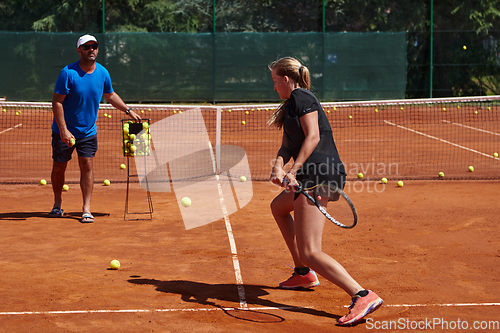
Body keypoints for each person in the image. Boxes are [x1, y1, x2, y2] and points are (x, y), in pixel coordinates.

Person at [268, 57, 383, 326]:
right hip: (311, 173)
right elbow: (288, 145)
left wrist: (293, 171)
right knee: (278, 207)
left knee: (310, 249)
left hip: (319, 173)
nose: (274, 87)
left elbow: (313, 137)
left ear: (286, 79)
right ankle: (303, 273)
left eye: (275, 81)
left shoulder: (302, 96)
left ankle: (362, 295)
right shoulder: (291, 106)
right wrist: (277, 166)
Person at [49, 34, 141, 223]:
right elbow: (57, 102)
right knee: (59, 168)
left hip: (88, 131)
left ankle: (86, 209)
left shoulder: (103, 73)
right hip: (63, 131)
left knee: (87, 165)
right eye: (87, 47)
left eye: (94, 46)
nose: (91, 49)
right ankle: (57, 204)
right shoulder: (68, 73)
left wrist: (128, 110)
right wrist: (64, 130)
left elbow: (110, 94)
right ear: (79, 50)